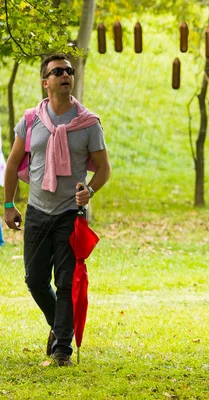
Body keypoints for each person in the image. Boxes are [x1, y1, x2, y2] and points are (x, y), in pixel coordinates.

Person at [3, 53, 111, 367]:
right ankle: (59, 324)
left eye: (69, 71)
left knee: (66, 281)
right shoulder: (31, 120)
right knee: (34, 279)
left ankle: (62, 348)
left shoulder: (88, 123)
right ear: (45, 82)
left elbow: (104, 169)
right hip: (36, 210)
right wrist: (9, 205)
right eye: (57, 71)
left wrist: (89, 190)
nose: (65, 75)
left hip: (69, 214)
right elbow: (11, 167)